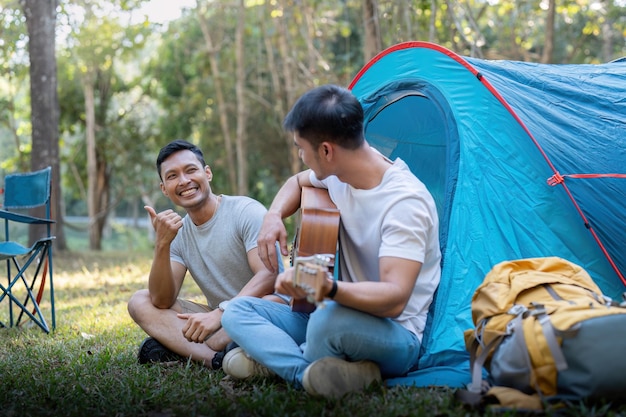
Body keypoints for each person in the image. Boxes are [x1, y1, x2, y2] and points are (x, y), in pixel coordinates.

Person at [221, 84, 442, 398]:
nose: (300, 155)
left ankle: (278, 362)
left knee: (325, 320)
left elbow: (395, 299)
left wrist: (327, 288)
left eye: (301, 148)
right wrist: (273, 217)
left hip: (396, 334)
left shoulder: (405, 202)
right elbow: (296, 182)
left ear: (326, 151)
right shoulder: (338, 174)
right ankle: (314, 373)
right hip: (334, 314)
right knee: (237, 312)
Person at [127, 139, 284, 369]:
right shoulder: (179, 232)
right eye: (172, 176)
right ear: (164, 189)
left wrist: (221, 313)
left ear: (207, 173)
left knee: (272, 302)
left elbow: (269, 275)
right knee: (140, 301)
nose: (184, 181)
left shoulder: (245, 211)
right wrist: (162, 244)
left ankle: (187, 348)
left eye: (191, 170)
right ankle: (217, 359)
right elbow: (162, 301)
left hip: (261, 309)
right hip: (217, 321)